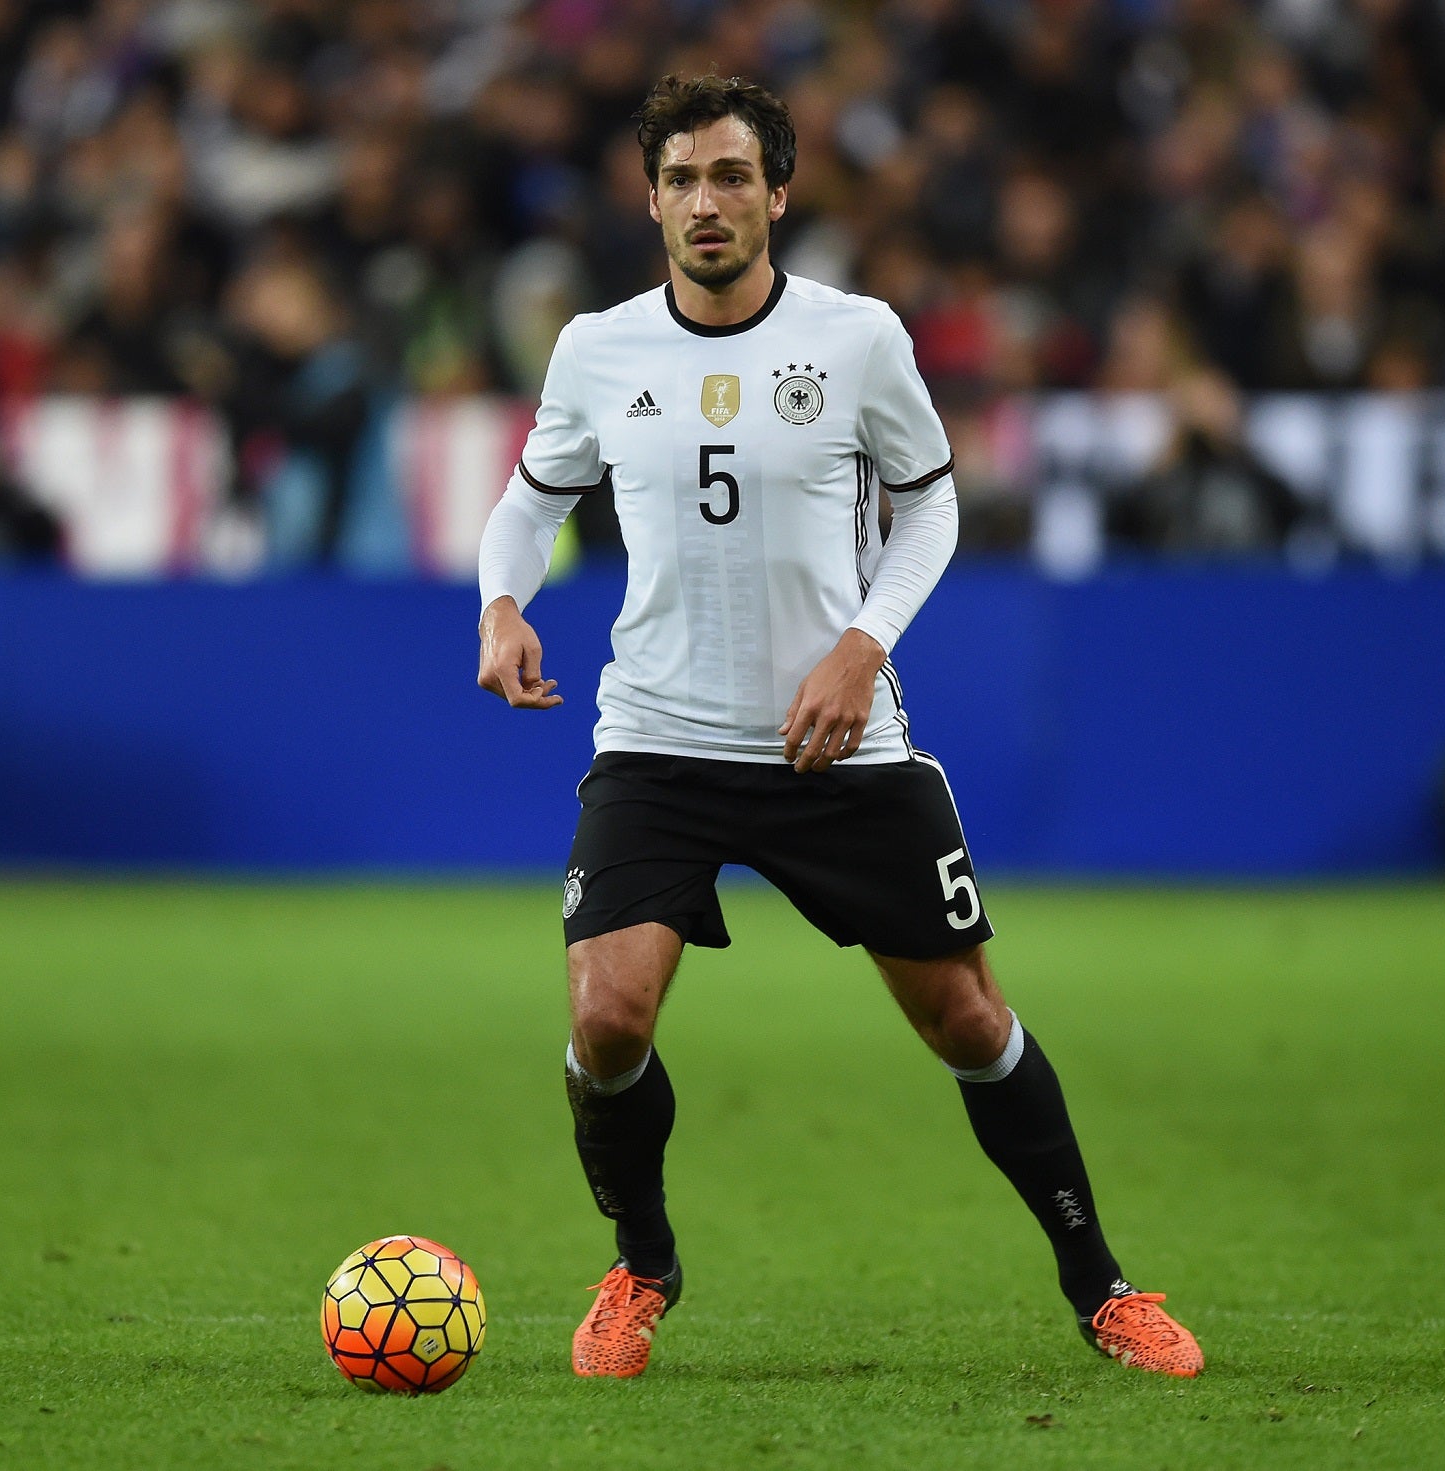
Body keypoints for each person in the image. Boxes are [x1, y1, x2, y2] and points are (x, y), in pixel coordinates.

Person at [474, 74, 1202, 1382]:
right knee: (608, 1021)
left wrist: (865, 647)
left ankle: (1104, 1287)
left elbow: (931, 507)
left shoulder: (857, 338)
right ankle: (641, 1266)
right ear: (650, 201)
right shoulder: (596, 348)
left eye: (733, 177)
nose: (708, 201)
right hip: (658, 739)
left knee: (970, 1021)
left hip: (838, 748)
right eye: (684, 179)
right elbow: (529, 502)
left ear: (778, 194)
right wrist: (500, 605)